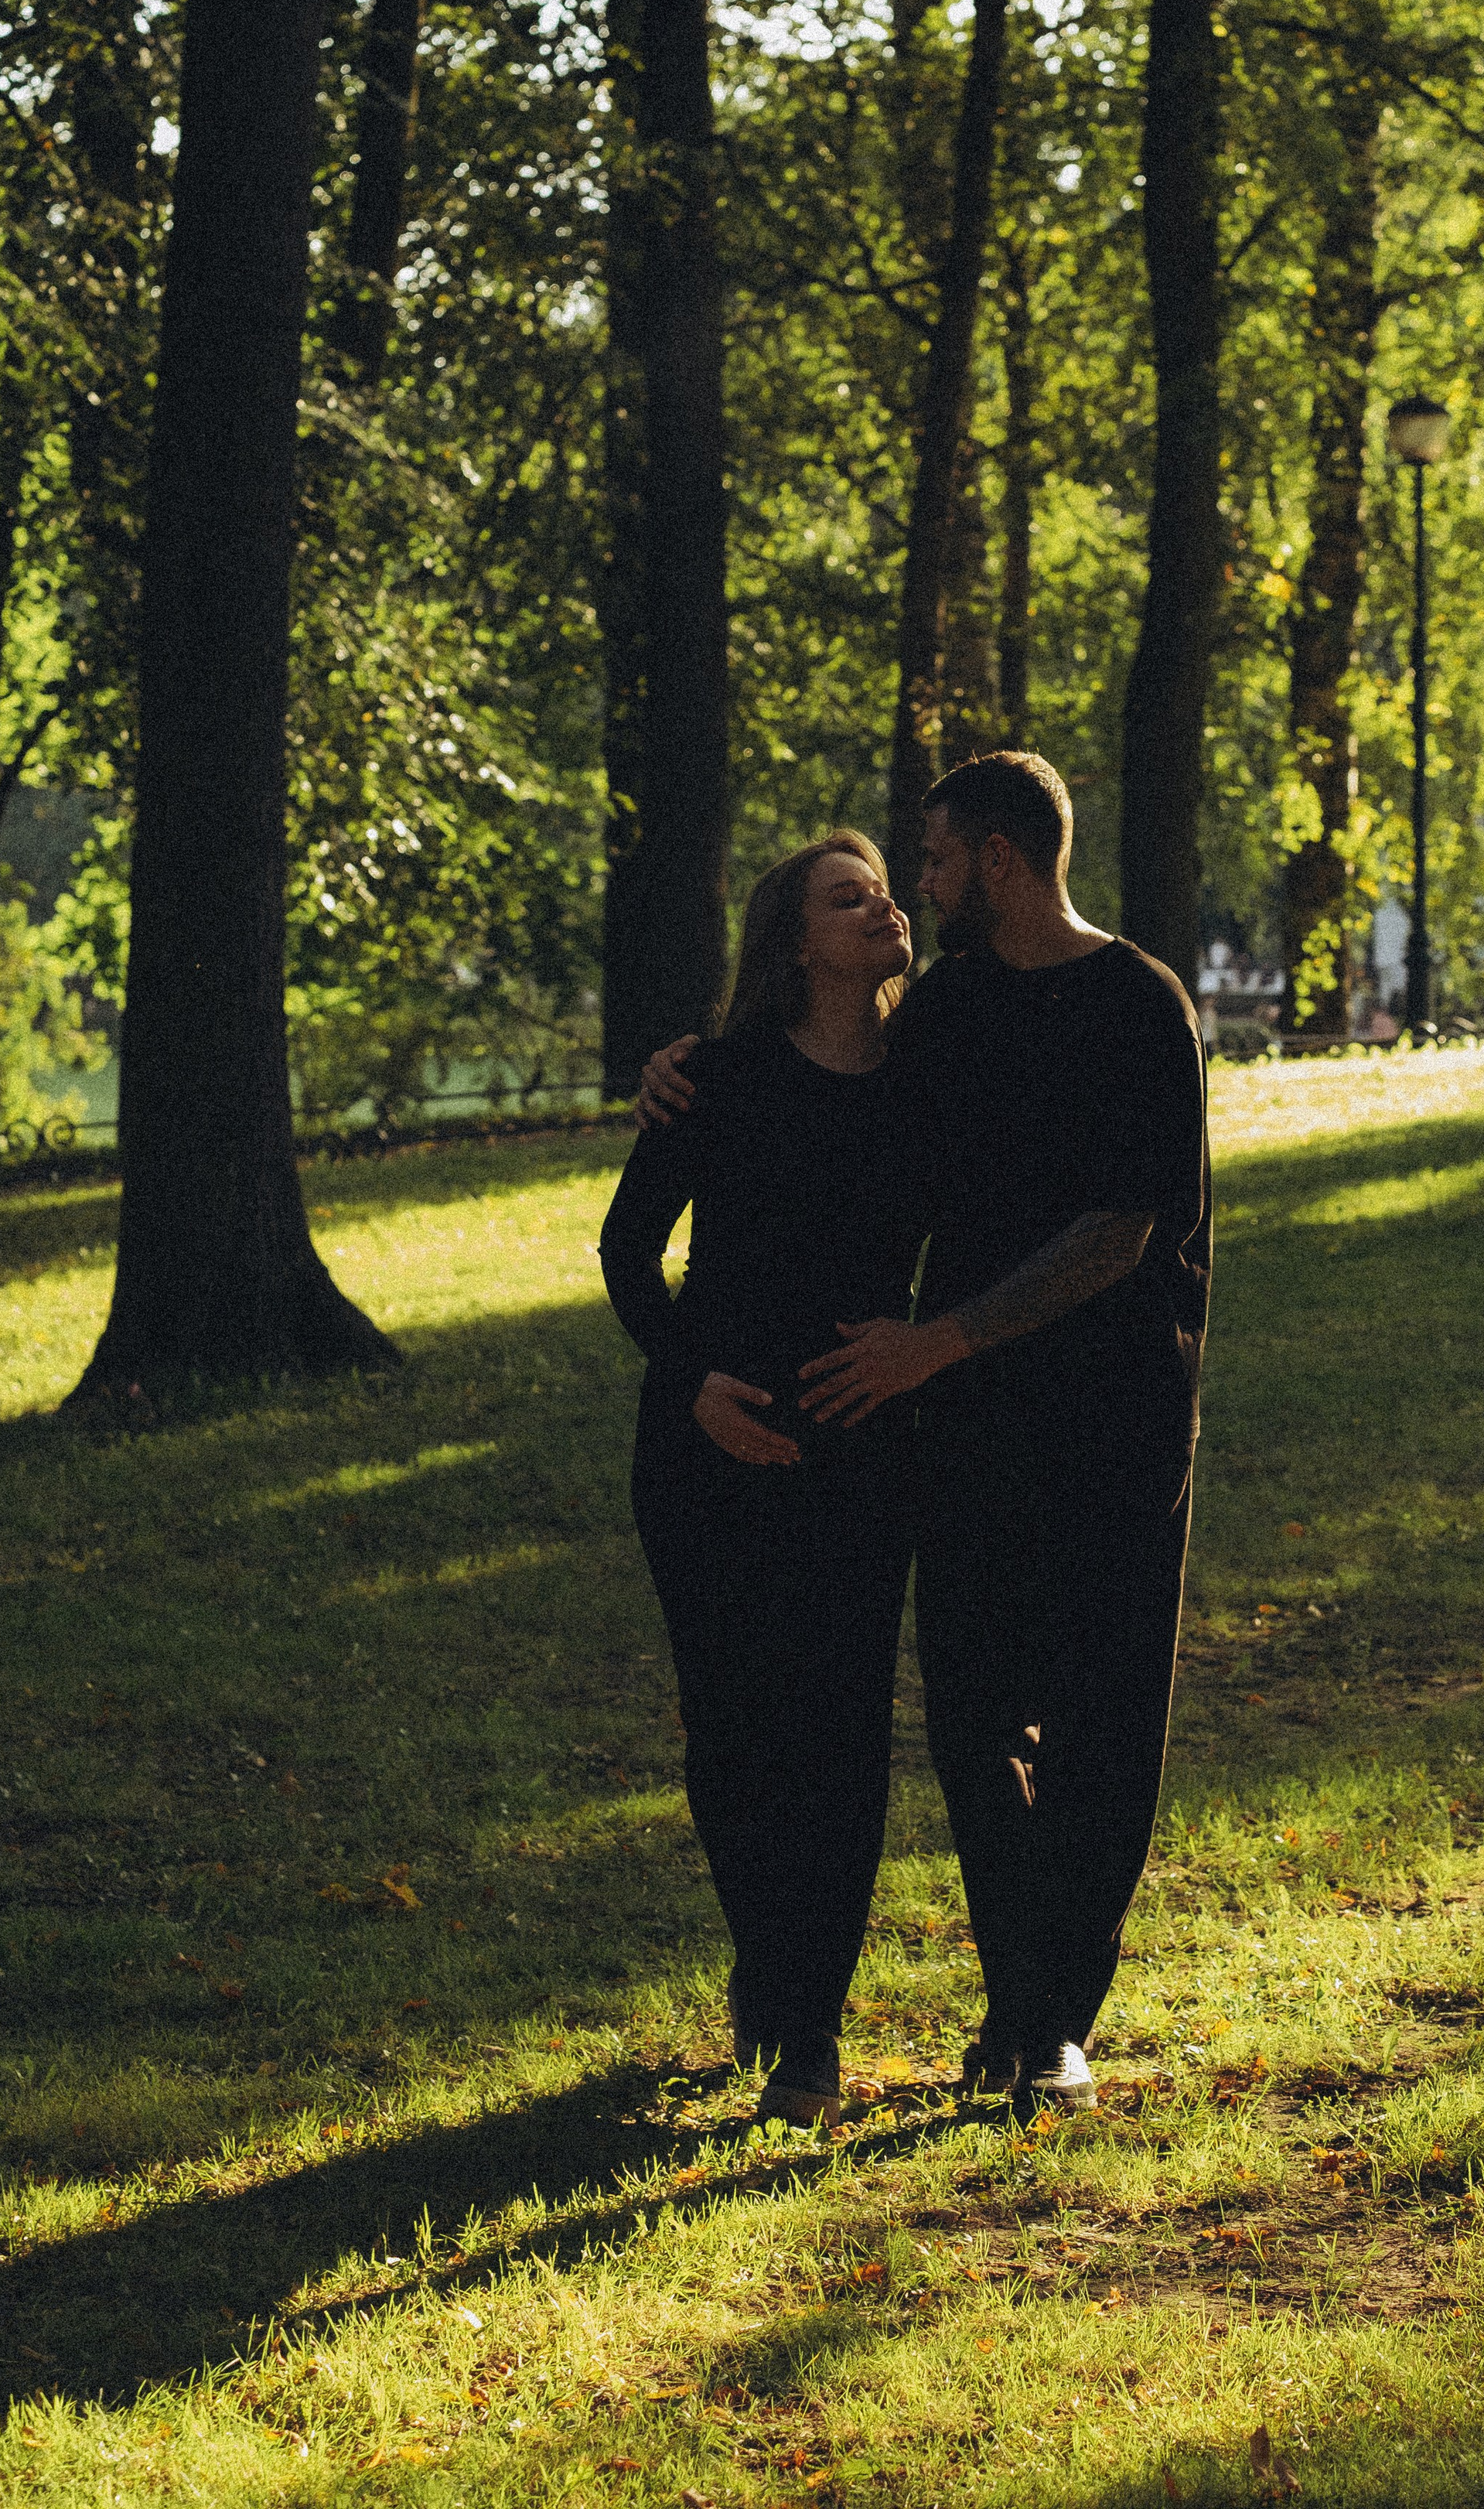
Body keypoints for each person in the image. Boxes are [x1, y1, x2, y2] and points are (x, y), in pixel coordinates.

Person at [640, 752, 1211, 2118]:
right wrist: (688, 1074)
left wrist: (938, 1340)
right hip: (961, 1435)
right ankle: (1019, 2010)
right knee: (969, 1727)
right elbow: (821, 1083)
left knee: (1098, 1727)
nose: (926, 888)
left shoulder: (1142, 1006)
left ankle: (1053, 2025)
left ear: (1001, 860)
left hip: (1116, 1428)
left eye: (939, 862)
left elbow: (1122, 1230)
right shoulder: (947, 1009)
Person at [598, 831, 923, 2131]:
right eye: (851, 898)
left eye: (889, 888)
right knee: (734, 1731)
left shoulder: (930, 1075)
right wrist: (694, 1383)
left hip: (860, 1442)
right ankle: (766, 1960)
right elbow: (630, 1250)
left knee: (841, 1732)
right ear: (795, 942)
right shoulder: (717, 1080)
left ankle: (812, 2028)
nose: (884, 906)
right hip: (706, 1445)